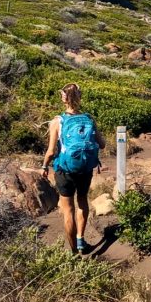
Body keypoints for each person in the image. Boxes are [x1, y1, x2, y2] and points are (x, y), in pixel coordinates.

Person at [41, 83, 106, 254]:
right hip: (85, 169)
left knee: (67, 209)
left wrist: (44, 166)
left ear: (64, 99)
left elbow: (50, 151)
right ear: (79, 97)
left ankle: (73, 252)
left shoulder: (58, 121)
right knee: (83, 202)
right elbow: (103, 144)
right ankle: (80, 240)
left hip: (65, 170)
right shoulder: (89, 118)